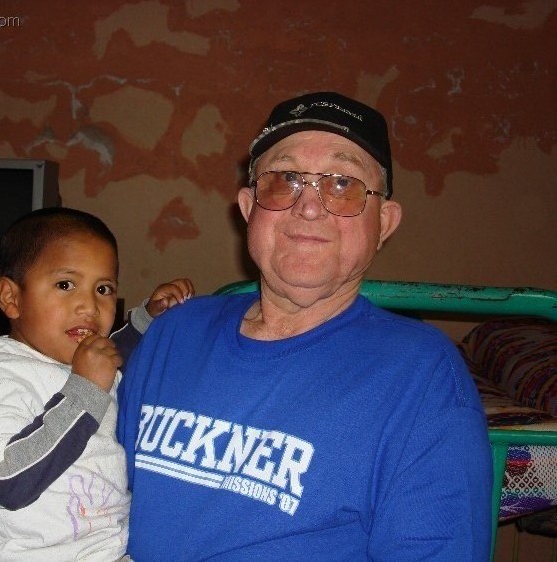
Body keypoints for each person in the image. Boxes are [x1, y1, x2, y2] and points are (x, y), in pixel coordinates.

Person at [117, 92, 492, 560]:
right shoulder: (174, 333)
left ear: (385, 223)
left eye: (343, 184)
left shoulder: (422, 378)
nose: (309, 207)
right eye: (285, 179)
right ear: (250, 207)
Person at [0, 206, 194, 562]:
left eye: (103, 288)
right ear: (12, 298)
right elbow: (9, 480)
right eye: (65, 285)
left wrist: (147, 321)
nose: (88, 304)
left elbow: (107, 358)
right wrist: (86, 390)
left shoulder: (71, 363)